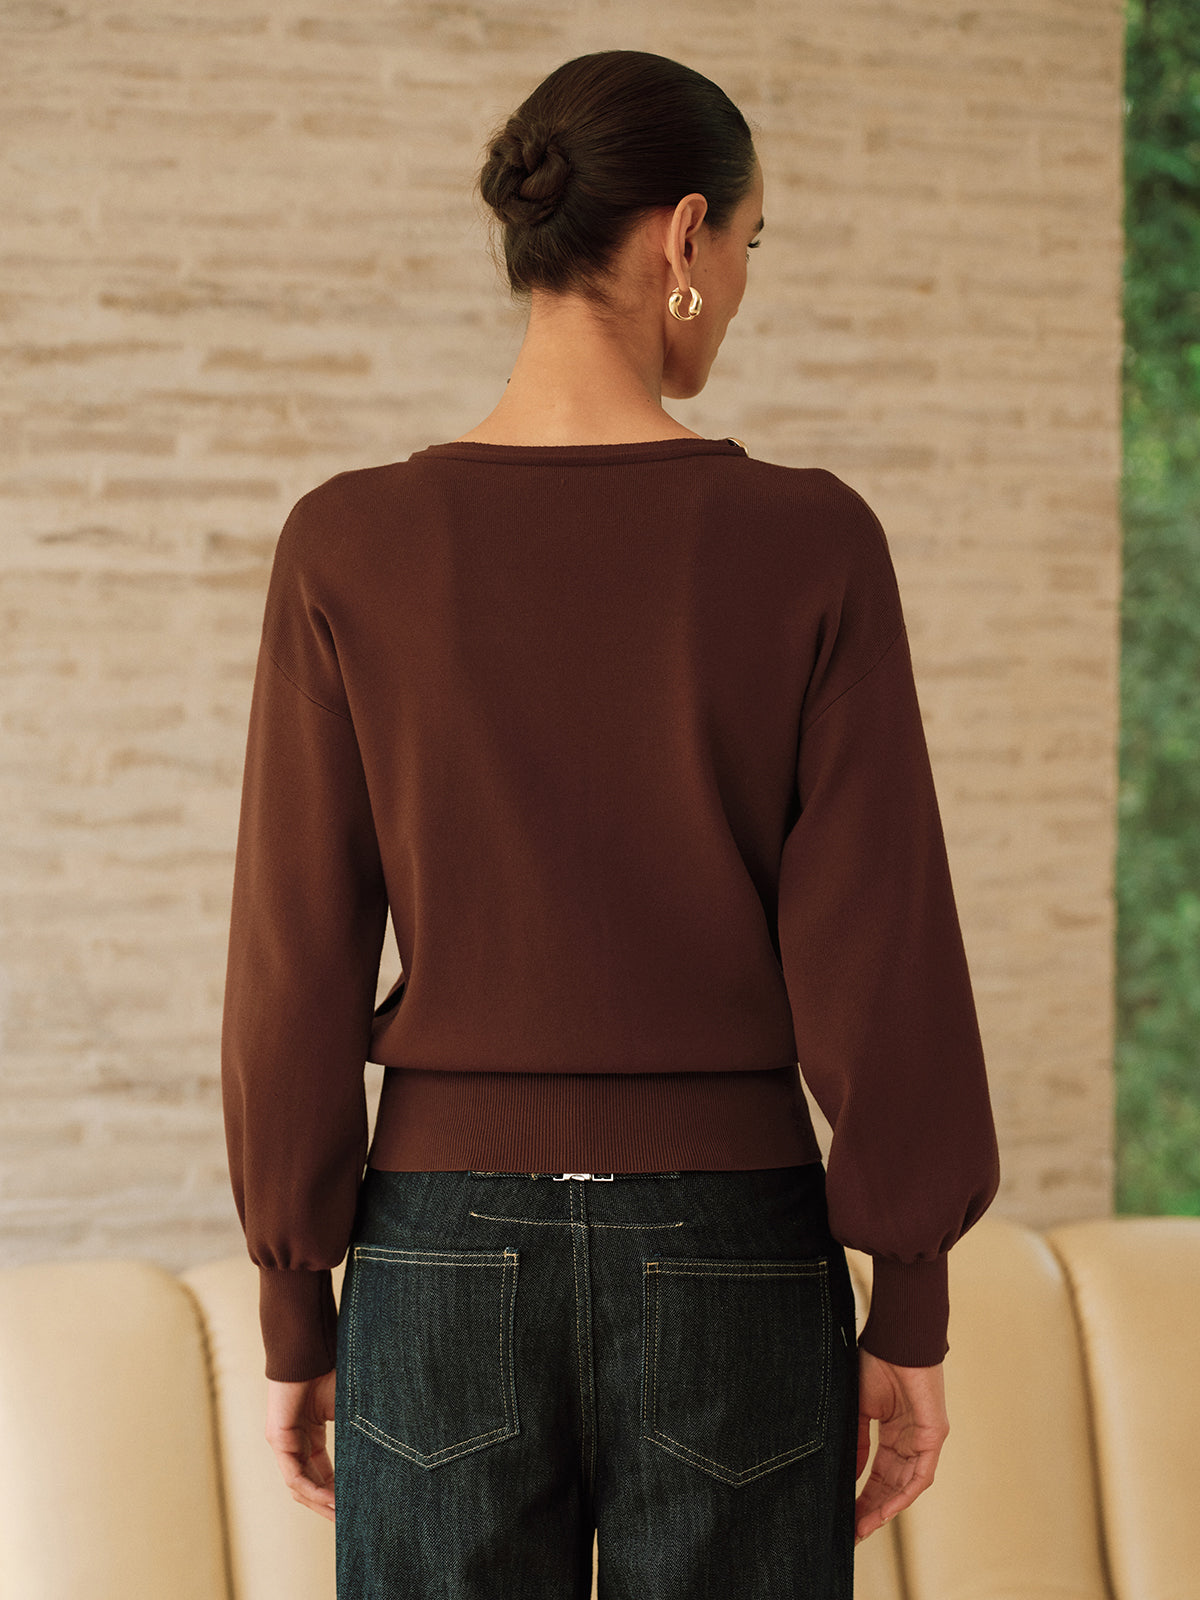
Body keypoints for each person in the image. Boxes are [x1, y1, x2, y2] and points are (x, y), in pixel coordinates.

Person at [221, 48, 1001, 1599]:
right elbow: (883, 948)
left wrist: (297, 1309)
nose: (742, 285)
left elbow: (292, 960)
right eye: (752, 244)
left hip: (436, 1253)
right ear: (685, 236)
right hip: (735, 1249)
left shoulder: (348, 544)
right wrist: (908, 1300)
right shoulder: (812, 542)